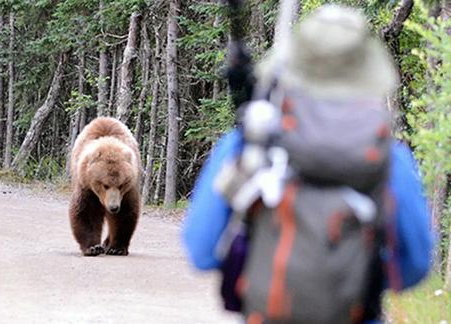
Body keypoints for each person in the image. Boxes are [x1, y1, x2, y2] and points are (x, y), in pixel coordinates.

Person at [182, 4, 432, 322]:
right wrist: (351, 278)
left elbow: (201, 251)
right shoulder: (389, 160)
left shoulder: (251, 143)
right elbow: (414, 268)